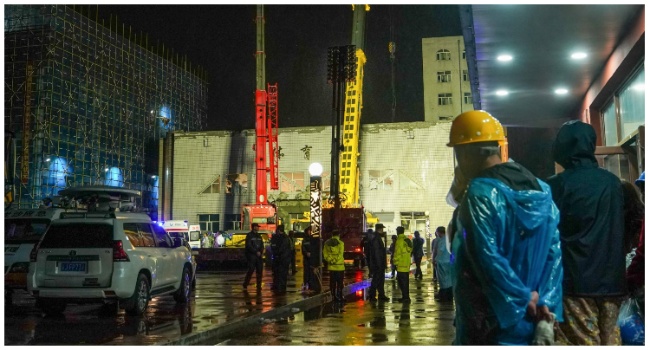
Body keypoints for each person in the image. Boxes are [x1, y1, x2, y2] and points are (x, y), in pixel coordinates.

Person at [448, 110, 563, 345]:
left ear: (465, 154)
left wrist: (522, 299)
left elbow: (486, 257)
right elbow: (554, 254)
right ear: (498, 147)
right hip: (533, 320)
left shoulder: (480, 194)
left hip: (489, 323)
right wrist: (543, 302)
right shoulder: (541, 189)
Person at [547, 120, 626, 346]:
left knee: (582, 342)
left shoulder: (557, 185)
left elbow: (545, 237)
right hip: (613, 283)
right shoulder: (612, 183)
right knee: (611, 341)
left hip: (576, 284)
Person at [366, 225, 390, 302]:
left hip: (378, 263)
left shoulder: (376, 237)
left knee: (380, 280)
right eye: (382, 229)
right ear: (380, 229)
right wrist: (380, 264)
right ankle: (372, 295)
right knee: (376, 279)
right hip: (378, 264)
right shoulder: (376, 238)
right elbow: (377, 252)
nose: (383, 231)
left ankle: (381, 295)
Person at [323, 229, 345, 301]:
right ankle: (340, 295)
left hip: (331, 267)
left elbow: (325, 254)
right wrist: (335, 260)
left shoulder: (327, 243)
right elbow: (340, 254)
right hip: (339, 267)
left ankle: (333, 296)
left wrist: (330, 260)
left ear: (332, 235)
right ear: (338, 235)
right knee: (340, 282)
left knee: (332, 282)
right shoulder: (340, 243)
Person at [270, 224, 292, 294]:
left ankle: (279, 287)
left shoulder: (279, 238)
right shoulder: (286, 238)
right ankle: (281, 287)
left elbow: (275, 248)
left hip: (280, 259)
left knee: (278, 273)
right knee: (282, 274)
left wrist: (276, 253)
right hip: (283, 259)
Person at [242, 223, 264, 291]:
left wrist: (260, 251)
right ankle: (245, 284)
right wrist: (255, 252)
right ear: (254, 227)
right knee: (251, 270)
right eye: (257, 227)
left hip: (258, 256)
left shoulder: (259, 236)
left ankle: (259, 285)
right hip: (252, 256)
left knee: (259, 271)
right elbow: (249, 246)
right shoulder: (249, 235)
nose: (258, 228)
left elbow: (262, 245)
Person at [433, 226, 453, 301]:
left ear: (439, 232)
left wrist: (435, 259)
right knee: (449, 279)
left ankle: (444, 296)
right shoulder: (449, 239)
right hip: (449, 261)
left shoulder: (442, 241)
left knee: (443, 280)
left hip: (442, 262)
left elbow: (440, 251)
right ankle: (449, 295)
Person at [393, 226, 412, 302]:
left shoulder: (399, 241)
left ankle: (405, 298)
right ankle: (406, 297)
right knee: (406, 282)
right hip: (406, 264)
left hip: (400, 264)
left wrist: (395, 262)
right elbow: (410, 250)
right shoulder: (407, 240)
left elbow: (397, 253)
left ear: (398, 232)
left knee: (401, 283)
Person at [301, 226, 314, 292]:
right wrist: (306, 253)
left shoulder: (312, 239)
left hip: (311, 258)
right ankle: (306, 283)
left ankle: (311, 284)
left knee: (311, 272)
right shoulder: (305, 240)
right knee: (306, 272)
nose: (310, 232)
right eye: (309, 231)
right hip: (306, 259)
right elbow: (303, 249)